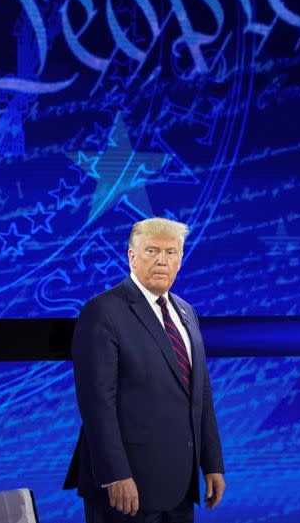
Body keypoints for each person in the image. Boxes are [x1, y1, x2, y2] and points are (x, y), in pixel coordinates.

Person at [63, 218, 225, 522]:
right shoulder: (102, 311)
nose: (162, 260)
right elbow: (97, 403)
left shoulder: (186, 312)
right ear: (131, 256)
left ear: (180, 260)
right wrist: (115, 475)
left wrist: (212, 463)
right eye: (151, 251)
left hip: (180, 486)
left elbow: (199, 392)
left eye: (171, 252)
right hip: (126, 488)